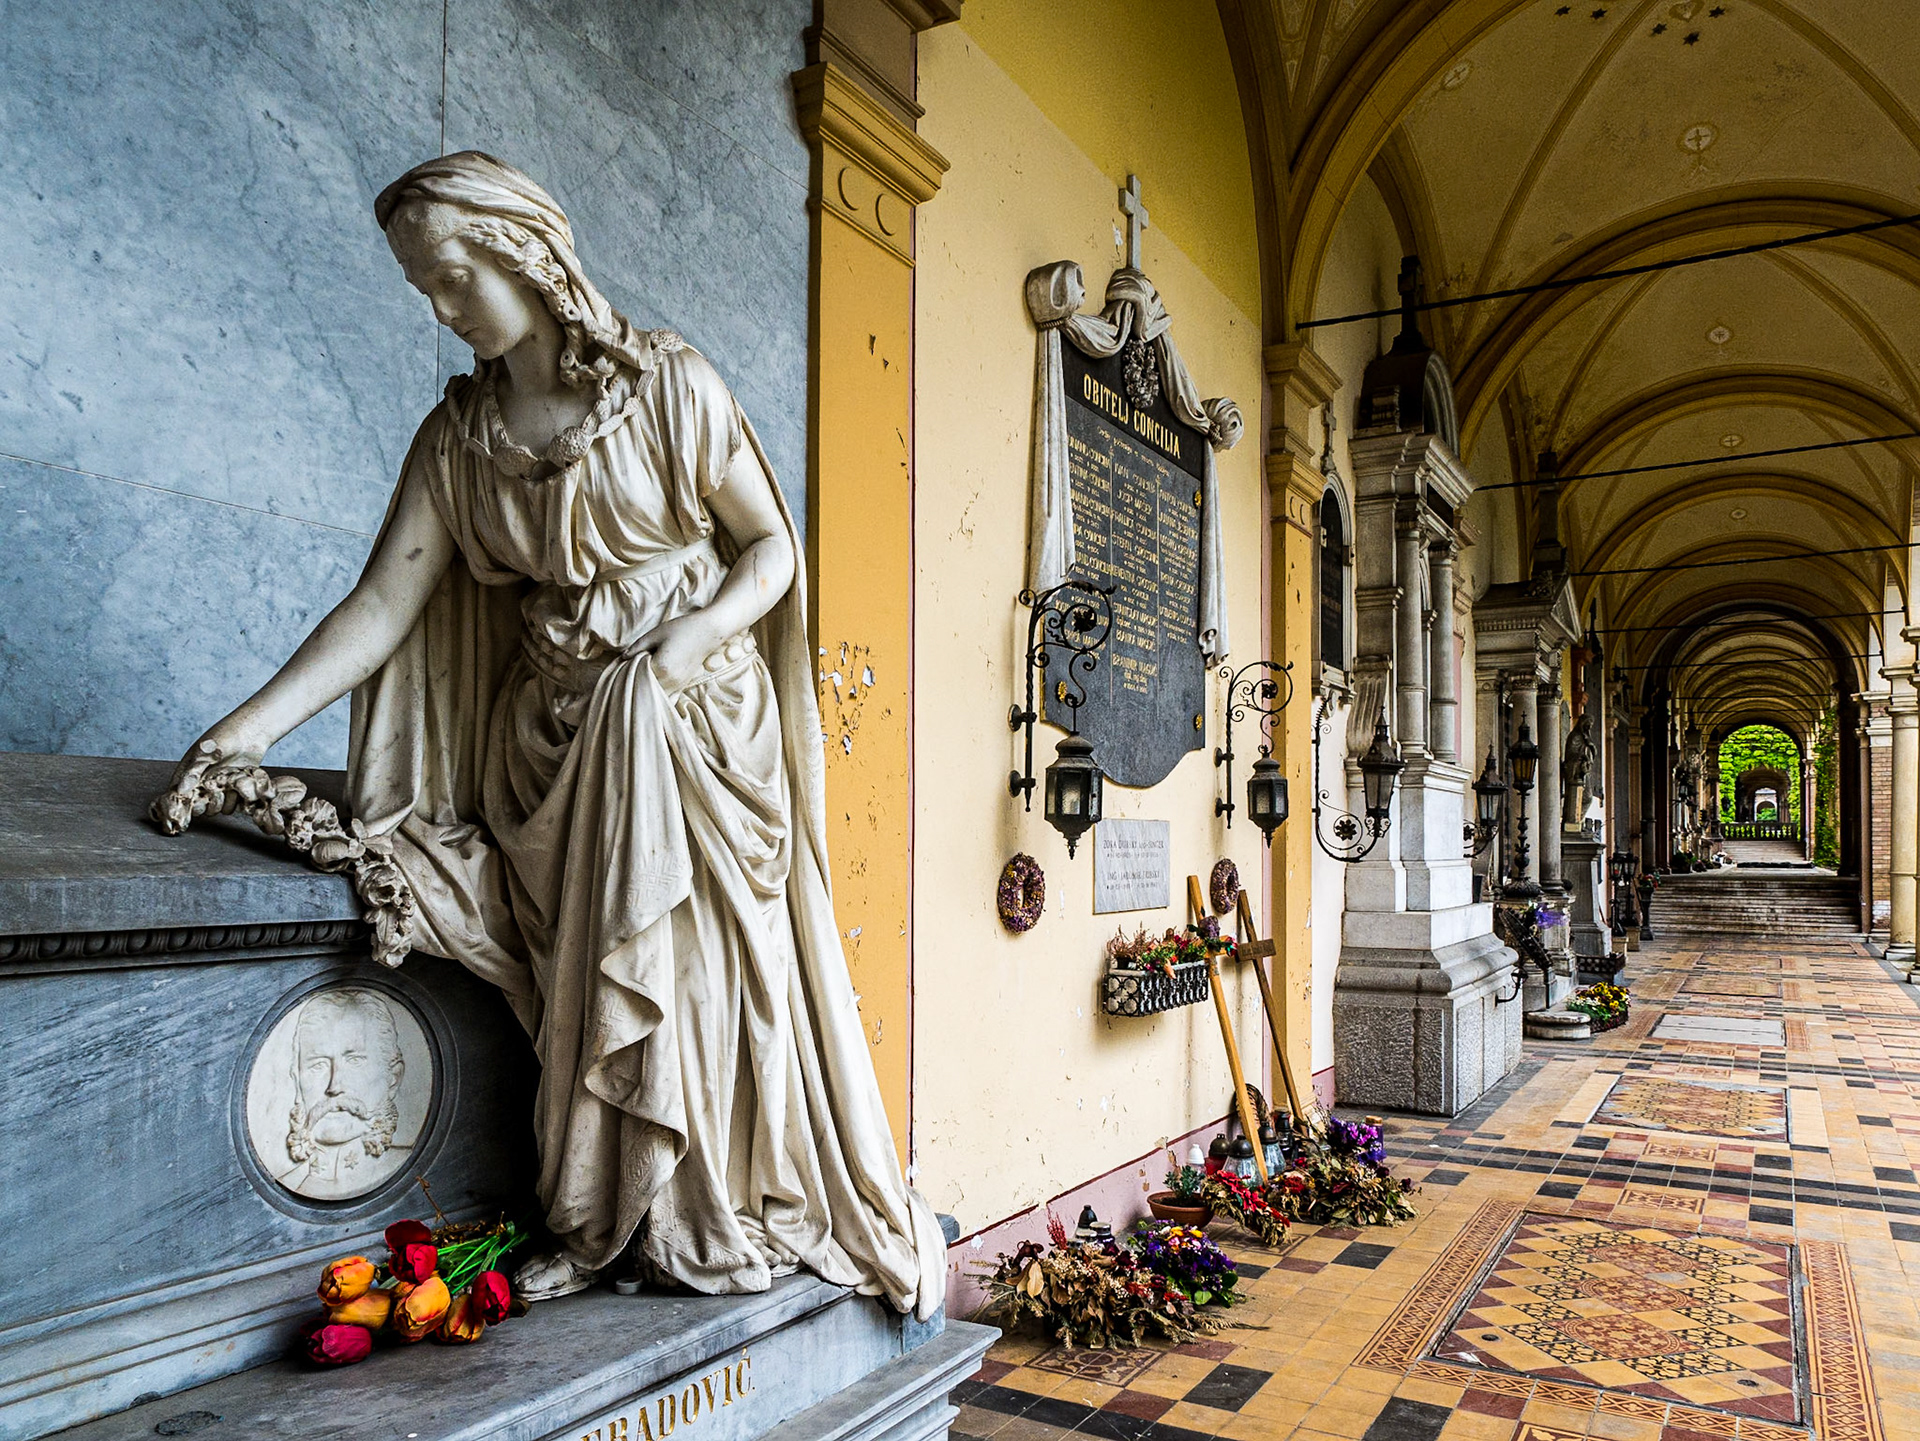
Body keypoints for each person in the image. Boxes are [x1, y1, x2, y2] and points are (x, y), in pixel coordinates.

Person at [162, 152, 940, 1316]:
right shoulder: (462, 439)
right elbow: (382, 606)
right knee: (581, 1000)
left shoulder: (670, 388)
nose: (438, 307)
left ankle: (707, 1211)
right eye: (423, 284)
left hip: (688, 731)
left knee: (699, 983)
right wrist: (240, 733)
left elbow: (772, 549)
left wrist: (690, 640)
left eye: (449, 276)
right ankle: (606, 1219)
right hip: (554, 746)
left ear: (521, 254)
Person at [278, 988, 409, 1199]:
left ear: (393, 1078)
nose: (334, 1086)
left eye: (354, 1061)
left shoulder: (413, 1173)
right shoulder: (289, 1181)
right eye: (318, 1065)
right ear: (296, 1078)